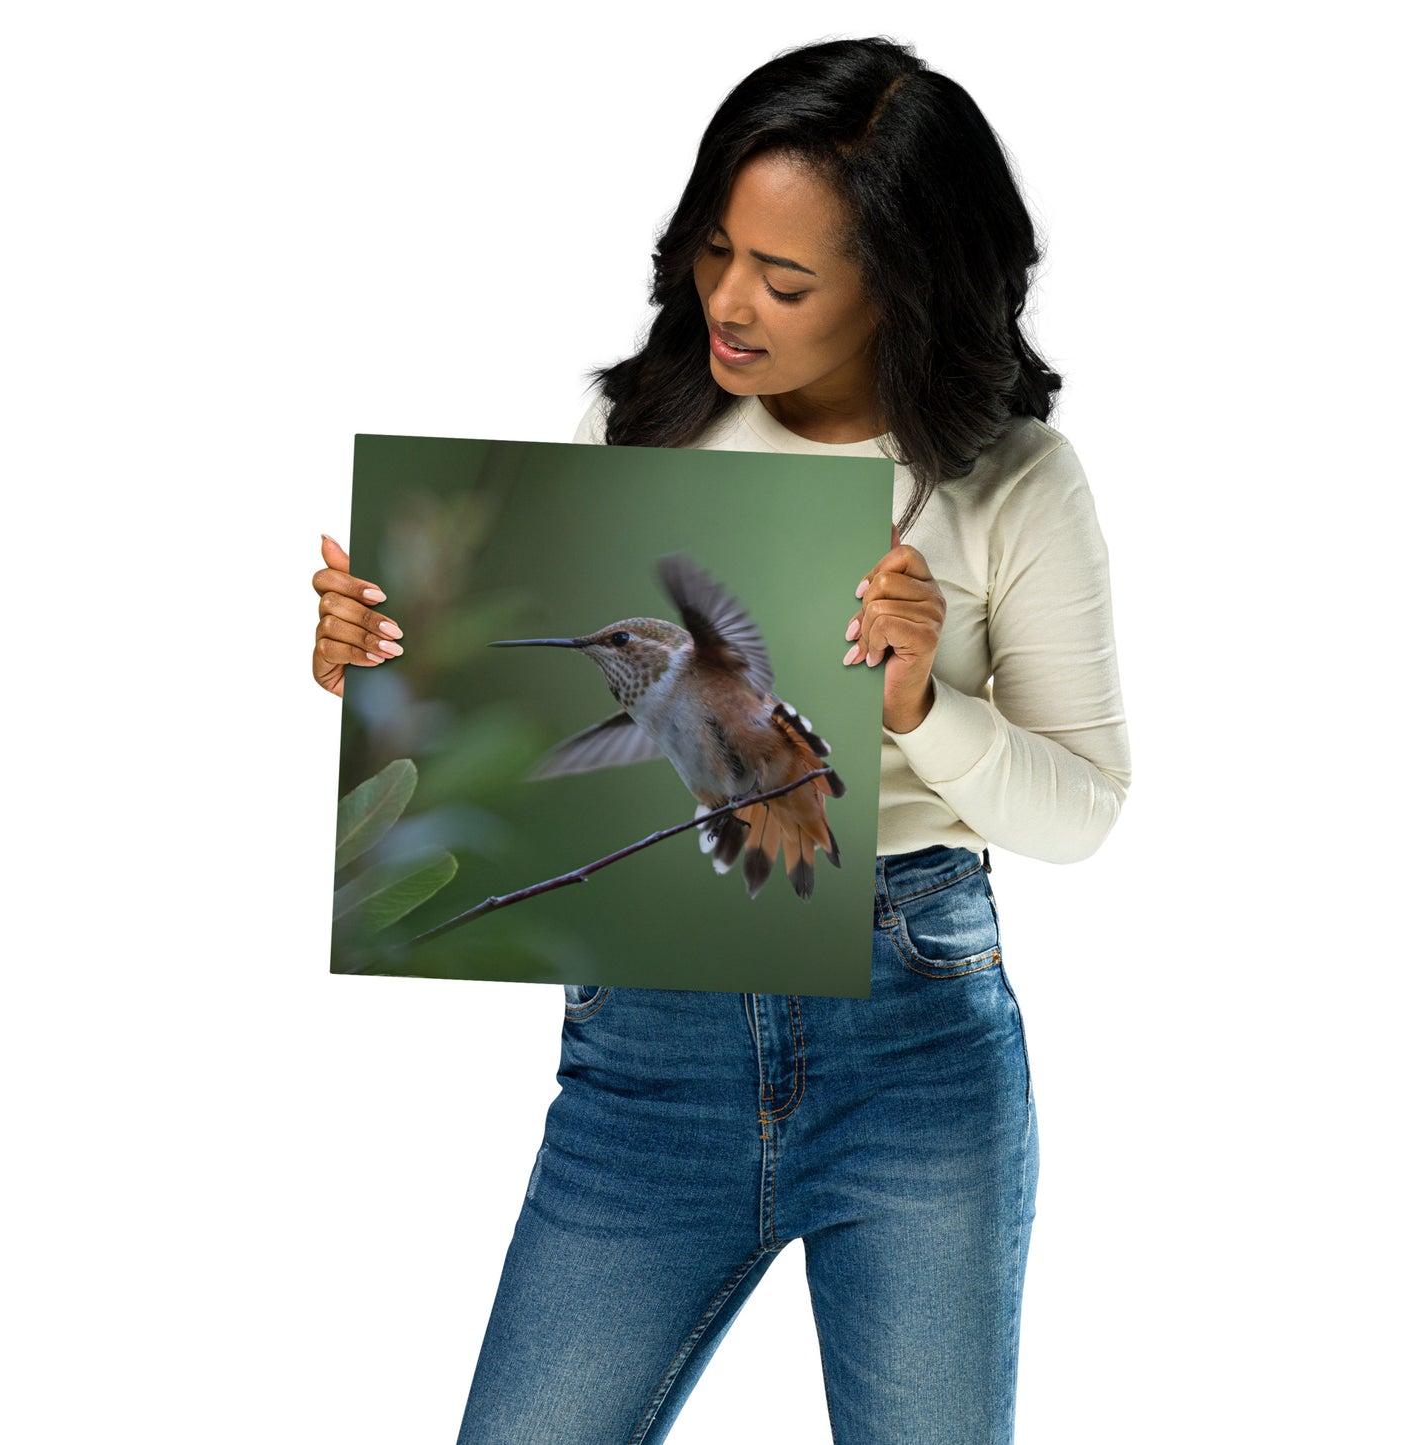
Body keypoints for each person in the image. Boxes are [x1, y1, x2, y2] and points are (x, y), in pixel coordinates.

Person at [312, 37, 1130, 1443]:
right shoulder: (639, 428)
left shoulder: (1011, 481)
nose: (728, 303)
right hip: (644, 1067)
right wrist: (382, 672)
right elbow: (517, 719)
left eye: (787, 278)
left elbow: (1082, 813)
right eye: (712, 251)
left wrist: (921, 706)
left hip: (916, 1049)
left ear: (904, 287)